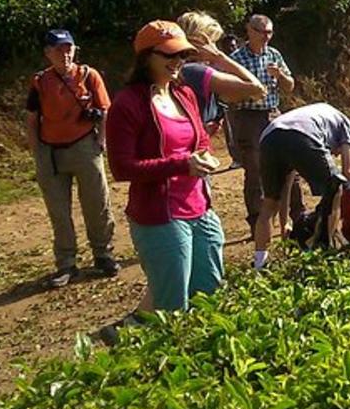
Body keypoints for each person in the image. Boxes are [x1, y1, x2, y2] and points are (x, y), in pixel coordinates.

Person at [105, 21, 224, 312]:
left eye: (182, 55)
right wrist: (181, 164)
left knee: (210, 295)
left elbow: (200, 141)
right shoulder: (128, 104)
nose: (178, 62)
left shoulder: (183, 94)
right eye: (169, 55)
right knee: (172, 307)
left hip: (199, 207)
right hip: (160, 216)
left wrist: (204, 155)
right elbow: (122, 168)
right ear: (146, 57)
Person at [25, 29, 118, 288]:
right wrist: (37, 152)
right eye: (58, 49)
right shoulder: (40, 82)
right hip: (50, 152)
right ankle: (66, 264)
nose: (64, 54)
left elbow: (106, 110)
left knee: (97, 203)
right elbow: (32, 118)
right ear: (47, 53)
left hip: (84, 146)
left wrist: (101, 141)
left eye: (68, 48)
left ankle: (103, 254)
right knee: (58, 211)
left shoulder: (89, 75)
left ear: (75, 50)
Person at [253, 103, 350, 269]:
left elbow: (287, 185)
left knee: (269, 204)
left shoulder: (318, 114)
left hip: (269, 137)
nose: (334, 154)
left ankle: (259, 263)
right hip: (303, 135)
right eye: (336, 153)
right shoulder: (347, 126)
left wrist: (284, 225)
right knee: (337, 186)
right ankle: (327, 246)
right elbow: (349, 172)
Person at [227, 13, 302, 236]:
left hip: (273, 114)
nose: (266, 37)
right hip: (248, 117)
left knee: (290, 166)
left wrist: (280, 76)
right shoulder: (237, 58)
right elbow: (228, 94)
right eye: (262, 32)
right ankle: (258, 224)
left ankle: (298, 217)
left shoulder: (274, 55)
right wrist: (247, 91)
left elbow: (290, 87)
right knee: (255, 170)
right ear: (249, 31)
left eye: (270, 32)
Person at [175, 11, 267, 133]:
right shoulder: (195, 71)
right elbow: (256, 88)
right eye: (212, 42)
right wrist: (219, 57)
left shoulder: (180, 69)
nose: (215, 48)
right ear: (199, 42)